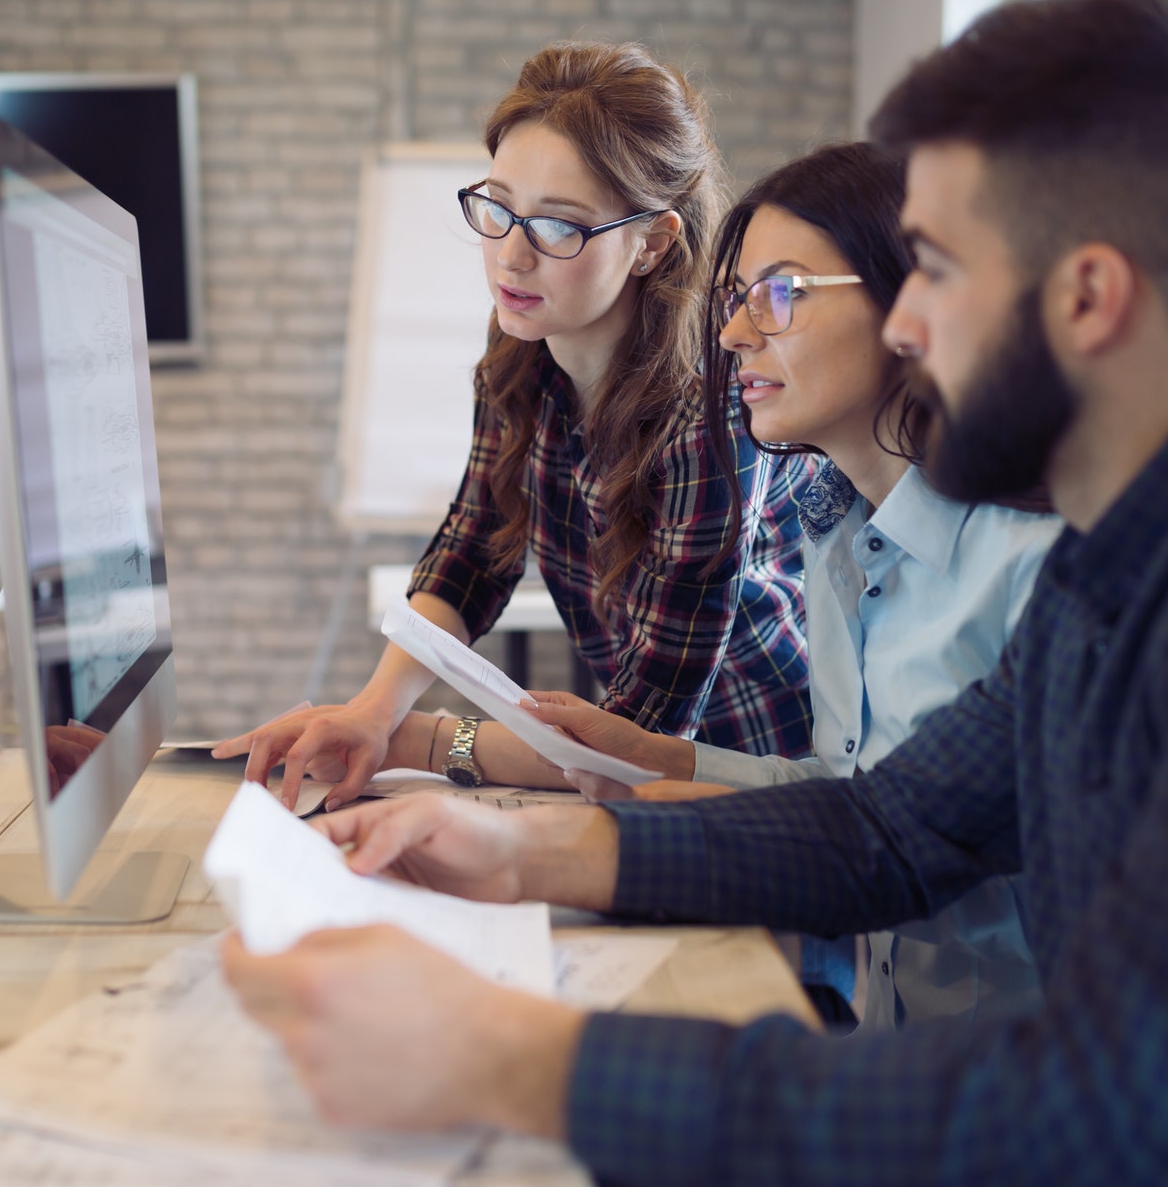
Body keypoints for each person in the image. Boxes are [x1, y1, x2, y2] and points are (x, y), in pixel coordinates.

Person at [222, 0, 1168, 1187]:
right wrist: (515, 847)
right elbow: (886, 831)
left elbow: (1119, 1115)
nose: (904, 325)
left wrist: (510, 1056)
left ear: (1087, 295)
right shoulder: (1129, 547)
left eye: (930, 268)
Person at [369, 143, 1061, 1031]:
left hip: (1037, 1087)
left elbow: (889, 840)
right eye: (735, 298)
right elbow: (843, 786)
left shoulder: (1038, 568)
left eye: (781, 292)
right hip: (907, 1042)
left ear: (913, 303)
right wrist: (663, 760)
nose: (733, 332)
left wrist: (527, 836)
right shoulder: (842, 534)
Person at [215, 41, 816, 807]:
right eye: (497, 208)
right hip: (633, 777)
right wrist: (373, 709)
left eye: (559, 227)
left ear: (652, 243)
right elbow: (473, 550)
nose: (511, 257)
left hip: (755, 776)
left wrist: (425, 739)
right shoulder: (523, 348)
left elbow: (636, 736)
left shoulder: (711, 412)